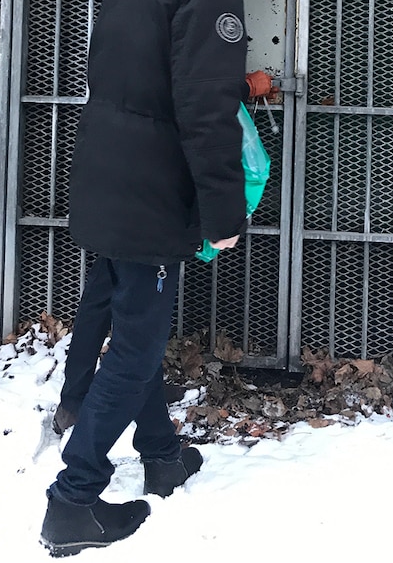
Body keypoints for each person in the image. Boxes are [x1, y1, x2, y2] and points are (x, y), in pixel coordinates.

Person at [39, 0, 269, 557]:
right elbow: (206, 106)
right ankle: (72, 499)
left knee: (130, 314)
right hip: (150, 189)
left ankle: (162, 454)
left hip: (108, 175)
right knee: (139, 343)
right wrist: (224, 211)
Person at [51, 70, 274, 436]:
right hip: (148, 189)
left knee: (107, 294)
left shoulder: (125, 29)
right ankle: (88, 435)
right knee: (135, 308)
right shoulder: (169, 24)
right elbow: (183, 83)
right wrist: (243, 87)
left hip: (117, 170)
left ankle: (86, 399)